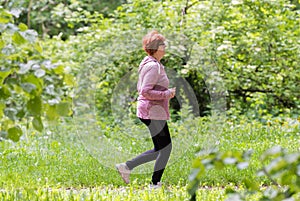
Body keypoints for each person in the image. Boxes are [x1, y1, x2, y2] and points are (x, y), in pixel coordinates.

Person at [116, 30, 176, 188]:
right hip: (152, 111)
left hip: (151, 111)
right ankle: (154, 184)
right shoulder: (152, 67)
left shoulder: (152, 64)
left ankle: (127, 167)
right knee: (165, 148)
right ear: (156, 48)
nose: (165, 47)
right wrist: (167, 94)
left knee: (160, 148)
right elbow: (145, 91)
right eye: (163, 44)